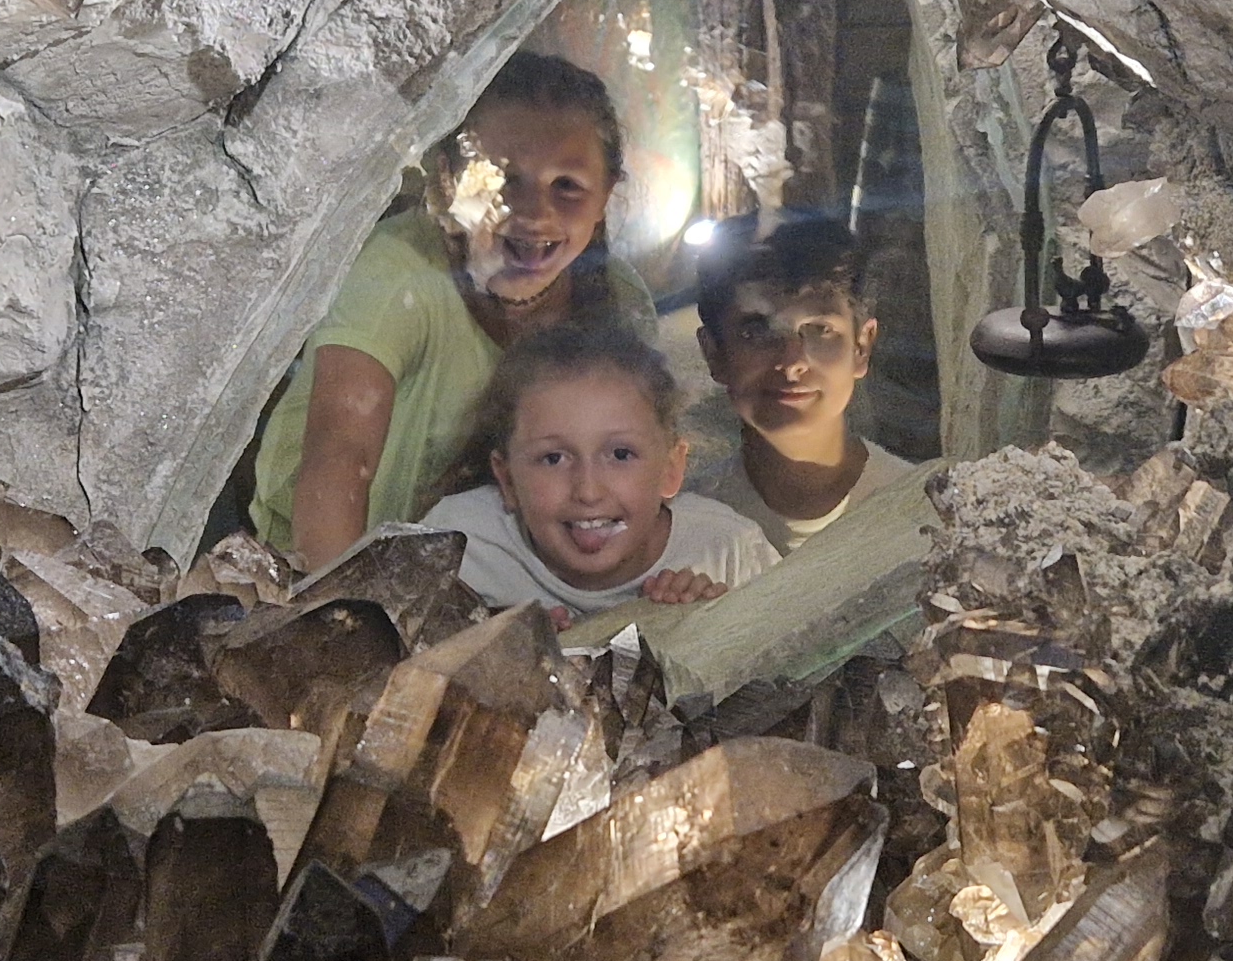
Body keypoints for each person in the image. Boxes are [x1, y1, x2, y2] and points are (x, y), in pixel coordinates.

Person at [247, 53, 656, 569]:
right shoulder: (397, 273)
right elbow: (341, 453)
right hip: (327, 564)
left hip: (499, 577)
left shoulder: (621, 302)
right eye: (502, 180)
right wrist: (335, 601)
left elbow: (638, 476)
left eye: (567, 186)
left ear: (606, 195)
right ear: (446, 179)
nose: (534, 214)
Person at [420, 323, 776, 617]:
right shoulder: (456, 545)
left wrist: (713, 626)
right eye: (553, 458)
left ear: (670, 469)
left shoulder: (728, 554)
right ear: (508, 479)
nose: (588, 491)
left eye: (620, 454)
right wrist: (478, 638)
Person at [688, 211, 920, 555]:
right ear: (714, 353)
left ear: (861, 347)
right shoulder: (684, 533)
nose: (792, 362)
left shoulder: (919, 511)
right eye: (757, 332)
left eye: (820, 330)